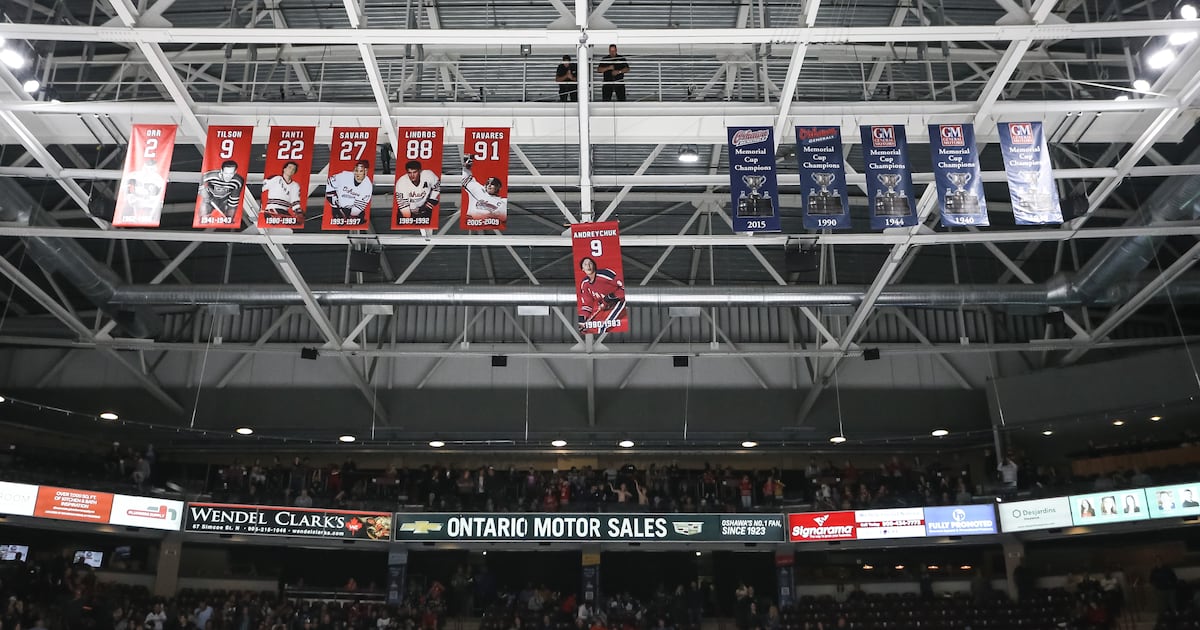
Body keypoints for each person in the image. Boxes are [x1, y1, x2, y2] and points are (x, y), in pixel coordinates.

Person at [576, 256, 626, 333]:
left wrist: (612, 296)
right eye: (585, 264)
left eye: (590, 263)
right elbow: (587, 305)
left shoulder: (605, 274)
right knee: (587, 329)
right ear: (582, 268)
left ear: (594, 266)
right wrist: (582, 319)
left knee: (603, 327)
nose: (588, 266)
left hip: (620, 302)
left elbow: (623, 286)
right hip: (605, 307)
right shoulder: (585, 284)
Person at [461, 156, 507, 225]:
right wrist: (467, 168)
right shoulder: (478, 189)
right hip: (471, 223)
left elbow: (503, 219)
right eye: (488, 183)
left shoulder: (503, 202)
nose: (489, 185)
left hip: (490, 226)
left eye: (493, 184)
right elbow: (466, 179)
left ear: (499, 187)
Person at [116, 159, 166, 224]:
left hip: (148, 207)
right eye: (149, 168)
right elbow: (124, 189)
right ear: (144, 167)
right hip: (130, 205)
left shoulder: (158, 179)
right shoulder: (131, 176)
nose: (153, 169)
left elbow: (158, 196)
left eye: (153, 168)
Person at [395, 159, 441, 224]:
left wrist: (430, 203)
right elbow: (403, 204)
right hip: (408, 210)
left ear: (420, 171)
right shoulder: (401, 182)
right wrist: (409, 218)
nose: (412, 175)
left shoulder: (428, 175)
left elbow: (437, 186)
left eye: (414, 172)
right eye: (409, 173)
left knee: (427, 230)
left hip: (424, 209)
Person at [326, 159, 373, 224]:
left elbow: (360, 206)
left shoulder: (367, 186)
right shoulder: (344, 176)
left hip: (350, 211)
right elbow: (329, 183)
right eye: (356, 170)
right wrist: (334, 203)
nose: (358, 174)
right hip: (337, 206)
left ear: (366, 171)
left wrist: (348, 213)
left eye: (361, 171)